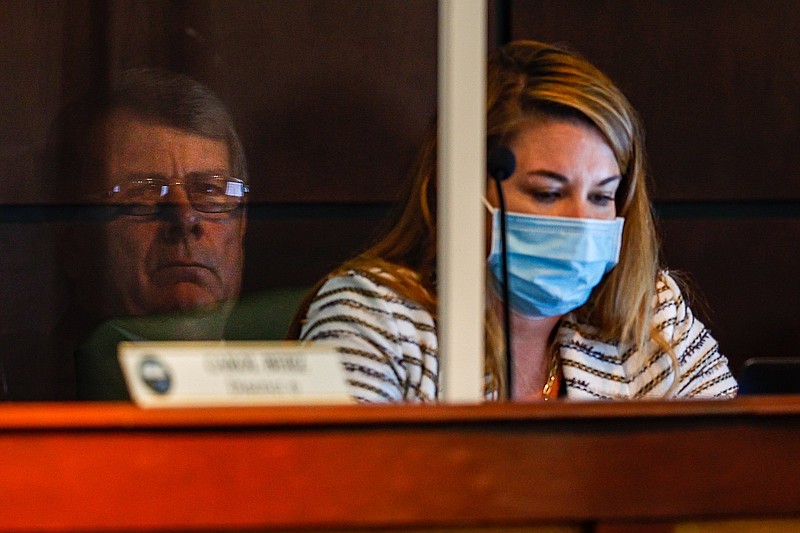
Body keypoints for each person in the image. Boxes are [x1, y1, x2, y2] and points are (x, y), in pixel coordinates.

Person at [291, 40, 738, 402]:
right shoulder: (374, 316)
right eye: (548, 193)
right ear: (459, 188)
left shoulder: (651, 311)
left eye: (601, 196)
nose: (582, 223)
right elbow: (338, 496)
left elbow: (734, 469)